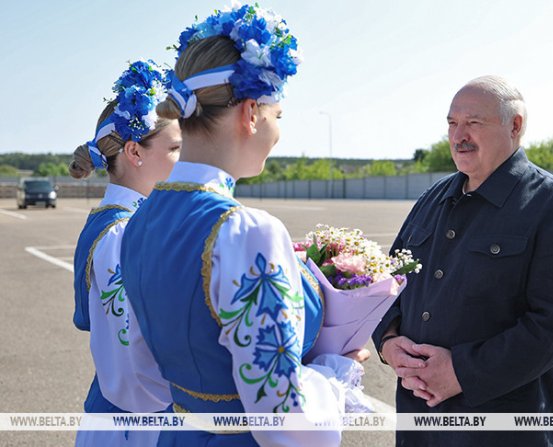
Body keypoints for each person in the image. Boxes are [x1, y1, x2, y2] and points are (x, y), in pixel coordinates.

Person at [120, 5, 368, 446]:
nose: (277, 131)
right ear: (251, 113)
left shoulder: (138, 222)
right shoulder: (246, 231)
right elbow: (282, 416)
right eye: (278, 116)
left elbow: (142, 371)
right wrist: (337, 372)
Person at [373, 75, 553, 446]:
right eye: (452, 123)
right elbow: (387, 283)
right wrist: (388, 340)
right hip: (422, 424)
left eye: (474, 122)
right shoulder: (431, 200)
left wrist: (462, 372)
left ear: (515, 126)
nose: (459, 135)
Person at [70, 60, 181, 446]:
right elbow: (139, 361)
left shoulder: (118, 223)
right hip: (138, 426)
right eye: (175, 148)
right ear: (134, 152)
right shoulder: (124, 234)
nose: (184, 160)